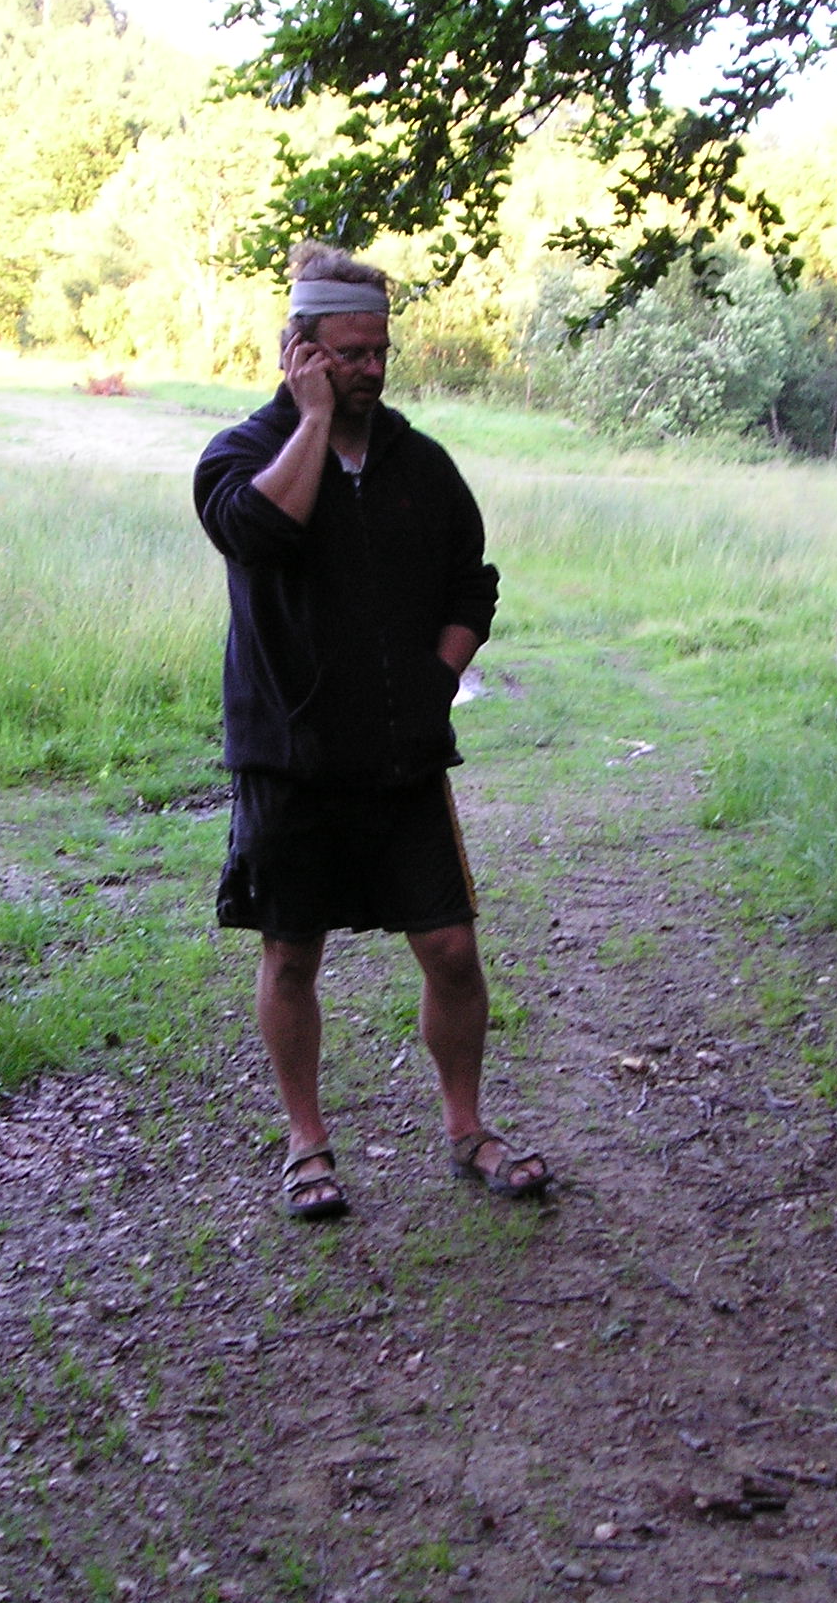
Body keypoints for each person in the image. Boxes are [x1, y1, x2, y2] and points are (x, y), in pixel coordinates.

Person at [193, 242, 551, 1220]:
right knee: (290, 954)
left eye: (380, 349)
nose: (372, 368)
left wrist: (438, 679)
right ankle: (306, 1143)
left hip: (402, 759)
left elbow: (471, 583)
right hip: (289, 758)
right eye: (349, 353)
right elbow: (260, 532)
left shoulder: (418, 465)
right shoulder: (237, 455)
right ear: (299, 350)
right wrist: (311, 421)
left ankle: (466, 1128)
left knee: (452, 950)